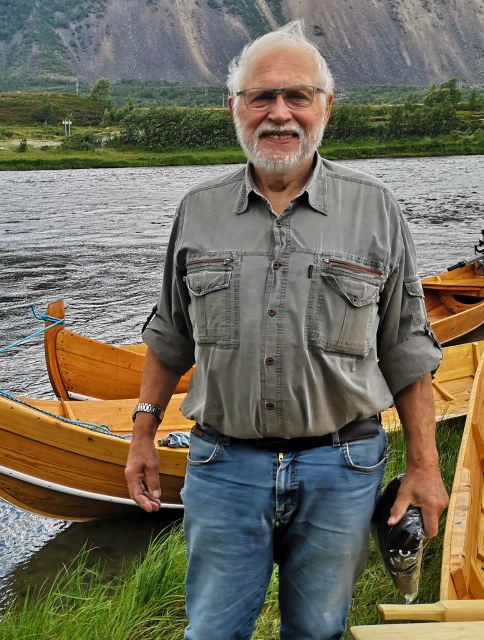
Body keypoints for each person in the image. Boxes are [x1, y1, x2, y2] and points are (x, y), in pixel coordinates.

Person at [124, 20, 449, 640]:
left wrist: (424, 468)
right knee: (212, 632)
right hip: (223, 466)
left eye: (297, 96)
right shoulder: (198, 210)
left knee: (319, 631)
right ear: (234, 109)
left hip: (342, 468)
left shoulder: (375, 208)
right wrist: (142, 434)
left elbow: (406, 348)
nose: (279, 114)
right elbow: (171, 333)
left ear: (326, 107)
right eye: (261, 98)